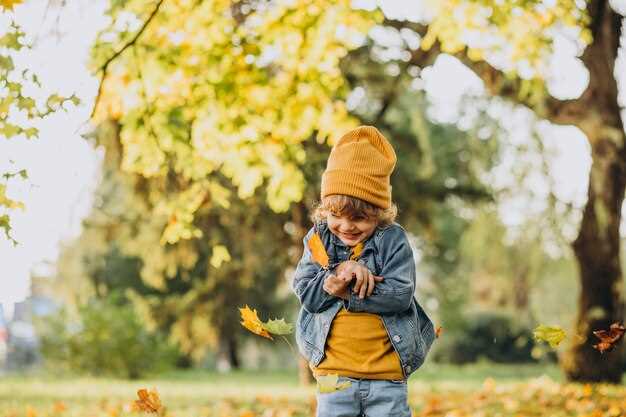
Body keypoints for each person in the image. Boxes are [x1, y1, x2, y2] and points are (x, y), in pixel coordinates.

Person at [291, 125, 436, 417]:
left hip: (387, 376)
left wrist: (350, 292)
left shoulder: (393, 240)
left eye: (358, 217)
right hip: (334, 374)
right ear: (324, 209)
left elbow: (400, 294)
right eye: (335, 215)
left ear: (379, 212)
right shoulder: (318, 239)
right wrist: (337, 276)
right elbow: (307, 292)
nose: (346, 226)